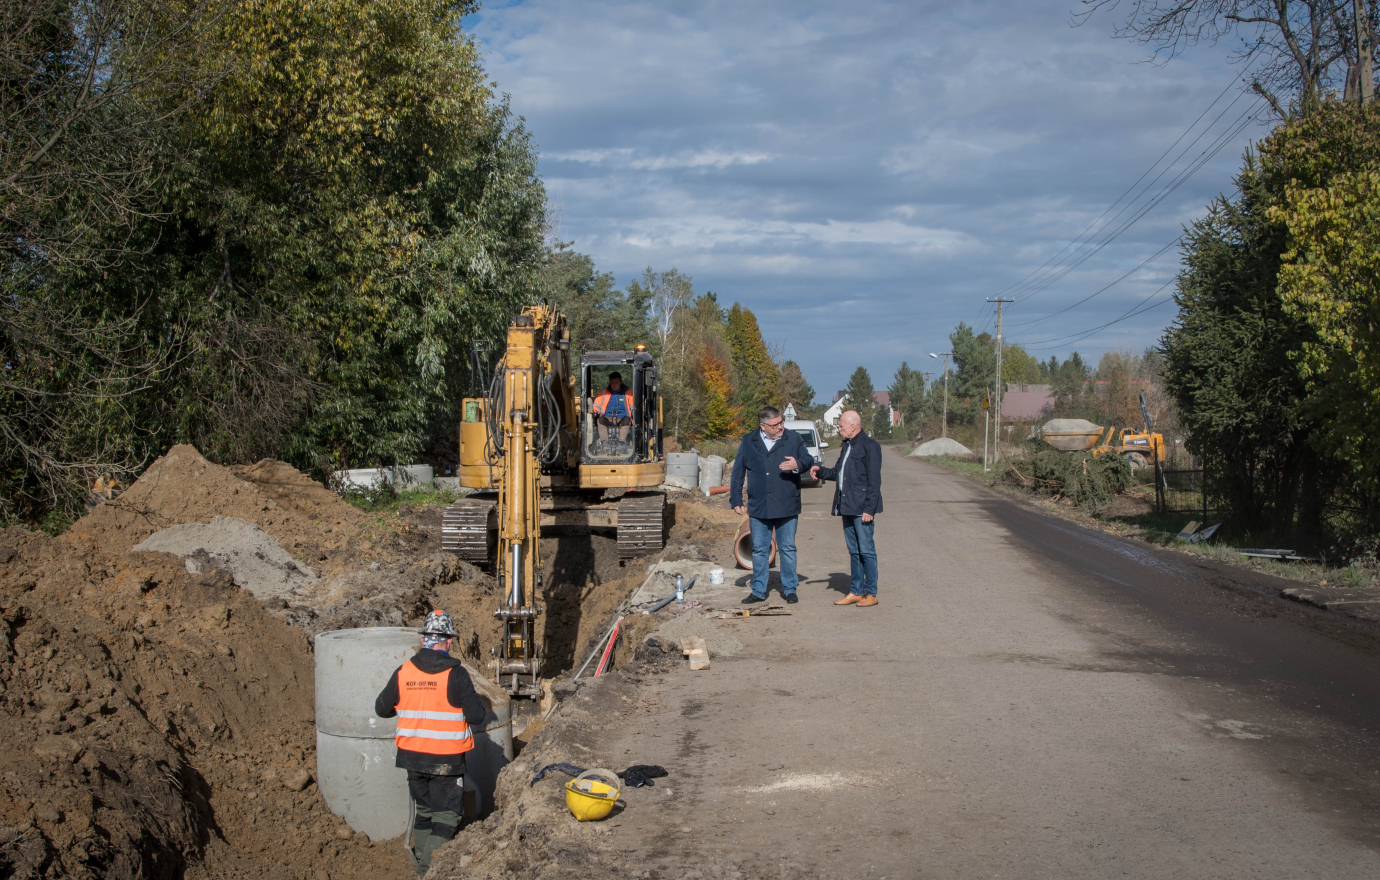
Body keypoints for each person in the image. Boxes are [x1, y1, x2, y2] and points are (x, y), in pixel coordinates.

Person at [376, 610, 487, 876]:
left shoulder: (404, 671)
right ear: (448, 640)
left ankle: (420, 862)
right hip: (445, 761)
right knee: (447, 816)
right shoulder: (456, 674)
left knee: (424, 811)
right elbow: (476, 716)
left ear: (424, 639)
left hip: (412, 758)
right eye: (450, 640)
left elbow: (382, 708)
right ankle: (427, 871)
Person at [730, 406, 815, 605]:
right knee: (760, 549)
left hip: (786, 503)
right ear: (763, 426)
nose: (780, 427)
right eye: (775, 424)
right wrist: (736, 499)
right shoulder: (749, 441)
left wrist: (797, 465)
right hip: (759, 505)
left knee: (787, 548)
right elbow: (738, 472)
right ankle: (759, 590)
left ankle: (790, 589)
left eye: (781, 422)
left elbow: (808, 459)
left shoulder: (793, 439)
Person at [810, 410, 884, 607]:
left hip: (862, 510)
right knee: (854, 552)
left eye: (841, 425)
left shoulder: (870, 446)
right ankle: (856, 592)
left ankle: (871, 593)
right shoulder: (847, 446)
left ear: (853, 426)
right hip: (847, 507)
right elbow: (837, 473)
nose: (839, 428)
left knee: (867, 551)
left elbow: (874, 481)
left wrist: (869, 509)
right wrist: (820, 471)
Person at [591, 372, 634, 448]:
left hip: (622, 418)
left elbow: (633, 406)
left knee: (627, 420)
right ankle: (605, 444)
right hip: (607, 418)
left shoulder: (628, 392)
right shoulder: (603, 392)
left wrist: (634, 413)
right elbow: (596, 405)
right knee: (600, 420)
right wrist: (595, 411)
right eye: (612, 383)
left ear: (621, 382)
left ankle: (621, 443)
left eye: (616, 383)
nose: (614, 385)